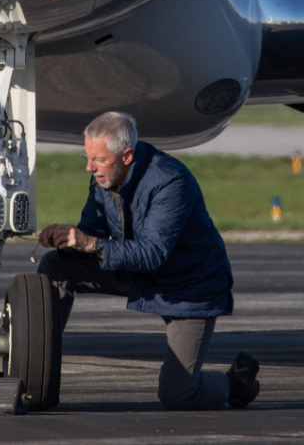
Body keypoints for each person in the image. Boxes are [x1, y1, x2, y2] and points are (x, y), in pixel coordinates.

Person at [37, 111, 260, 410]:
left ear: (126, 155)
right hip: (136, 273)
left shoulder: (170, 181)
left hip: (188, 287)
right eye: (87, 157)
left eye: (99, 160)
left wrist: (90, 243)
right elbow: (93, 231)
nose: (90, 167)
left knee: (178, 394)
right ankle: (37, 365)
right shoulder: (103, 178)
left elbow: (154, 253)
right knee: (55, 265)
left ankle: (237, 383)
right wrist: (66, 241)